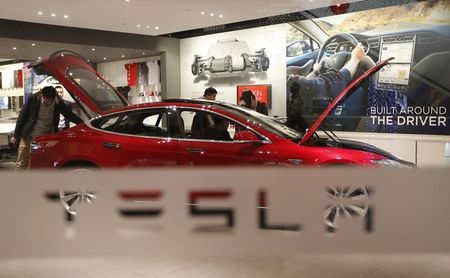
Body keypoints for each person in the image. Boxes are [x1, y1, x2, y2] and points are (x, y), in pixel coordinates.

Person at [287, 43, 366, 130]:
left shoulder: (281, 85)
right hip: (307, 132)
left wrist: (315, 72)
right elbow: (328, 85)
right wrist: (355, 59)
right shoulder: (288, 85)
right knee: (357, 92)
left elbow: (304, 87)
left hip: (292, 125)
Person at [11, 86, 83, 170]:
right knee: (21, 161)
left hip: (45, 138)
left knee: (40, 162)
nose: (49, 102)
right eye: (47, 100)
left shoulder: (57, 102)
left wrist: (83, 124)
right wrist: (16, 135)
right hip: (28, 135)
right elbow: (22, 116)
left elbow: (69, 115)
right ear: (42, 96)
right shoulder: (34, 99)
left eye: (51, 100)